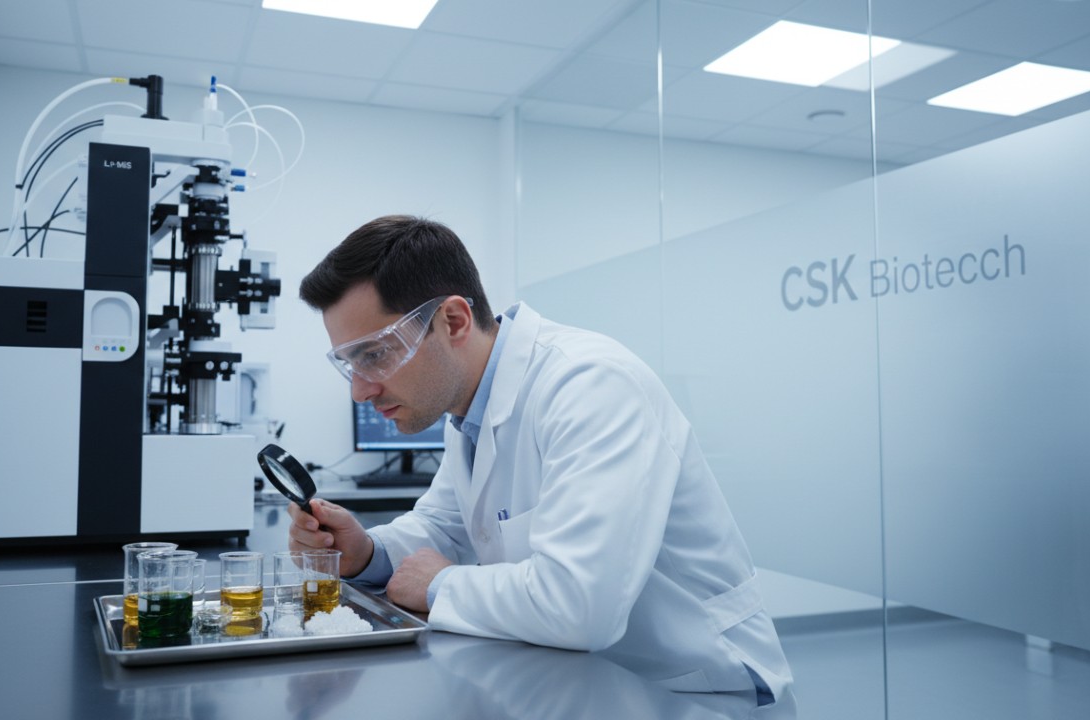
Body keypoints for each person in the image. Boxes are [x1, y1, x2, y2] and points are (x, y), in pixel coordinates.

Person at [289, 215, 793, 704]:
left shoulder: (592, 386)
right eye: (349, 363)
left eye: (375, 354)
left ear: (454, 321)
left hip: (696, 687)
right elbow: (444, 527)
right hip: (582, 677)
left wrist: (441, 584)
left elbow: (579, 605)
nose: (360, 391)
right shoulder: (468, 409)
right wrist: (366, 553)